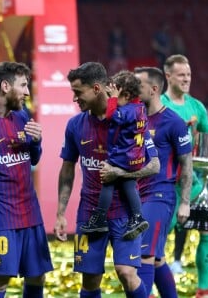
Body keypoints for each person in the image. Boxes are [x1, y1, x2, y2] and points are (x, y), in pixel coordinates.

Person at [54, 62, 160, 298]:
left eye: (78, 92)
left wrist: (121, 174)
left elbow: (154, 165)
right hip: (90, 213)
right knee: (90, 279)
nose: (74, 99)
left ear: (96, 89)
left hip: (124, 214)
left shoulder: (130, 122)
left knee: (126, 272)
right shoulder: (75, 125)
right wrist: (61, 212)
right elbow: (67, 169)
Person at [0, 61, 53, 298]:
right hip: (1, 216)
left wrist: (36, 142)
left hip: (30, 212)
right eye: (23, 85)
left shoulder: (22, 114)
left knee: (37, 275)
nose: (28, 92)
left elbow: (34, 159)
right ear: (6, 86)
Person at [160, 54, 208, 298]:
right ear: (168, 76)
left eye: (189, 75)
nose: (186, 79)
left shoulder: (197, 106)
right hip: (164, 183)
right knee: (157, 238)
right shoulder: (159, 105)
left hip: (191, 182)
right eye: (181, 75)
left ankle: (203, 289)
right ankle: (150, 290)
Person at [134, 66, 193, 297]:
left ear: (154, 88)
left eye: (138, 85)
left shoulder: (173, 122)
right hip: (136, 195)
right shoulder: (135, 117)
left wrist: (185, 202)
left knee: (145, 255)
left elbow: (186, 164)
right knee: (157, 259)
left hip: (160, 196)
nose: (134, 89)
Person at [80, 70, 150, 240]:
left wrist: (112, 99)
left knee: (107, 181)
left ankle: (100, 218)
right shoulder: (140, 107)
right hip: (135, 156)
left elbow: (112, 116)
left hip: (123, 156)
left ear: (125, 94)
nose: (112, 97)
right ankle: (137, 217)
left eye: (115, 93)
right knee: (128, 185)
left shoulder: (127, 111)